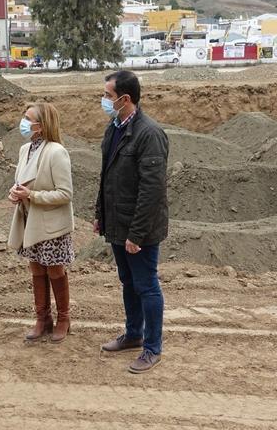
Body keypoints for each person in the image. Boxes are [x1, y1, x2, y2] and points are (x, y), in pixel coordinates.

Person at [95, 70, 169, 374]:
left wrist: (136, 234)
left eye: (108, 96)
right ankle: (133, 334)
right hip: (117, 224)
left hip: (140, 229)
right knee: (128, 283)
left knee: (146, 285)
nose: (104, 101)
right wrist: (101, 216)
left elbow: (151, 191)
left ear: (125, 99)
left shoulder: (149, 133)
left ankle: (152, 348)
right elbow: (108, 177)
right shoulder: (114, 128)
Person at [8, 102, 75, 343]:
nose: (23, 122)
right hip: (30, 221)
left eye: (28, 118)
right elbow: (22, 182)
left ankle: (64, 319)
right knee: (36, 267)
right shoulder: (25, 149)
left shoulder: (56, 152)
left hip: (51, 225)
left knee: (55, 268)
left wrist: (32, 196)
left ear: (41, 125)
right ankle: (42, 318)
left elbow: (65, 193)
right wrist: (15, 193)